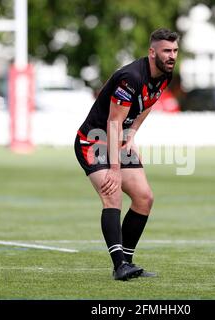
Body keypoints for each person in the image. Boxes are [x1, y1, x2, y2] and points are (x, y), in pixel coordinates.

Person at [74, 28, 179, 281]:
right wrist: (114, 168)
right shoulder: (130, 78)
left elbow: (148, 103)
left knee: (144, 198)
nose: (172, 56)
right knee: (113, 196)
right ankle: (119, 265)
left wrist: (131, 134)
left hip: (118, 138)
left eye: (175, 50)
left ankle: (128, 263)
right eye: (167, 50)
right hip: (94, 142)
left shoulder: (165, 74)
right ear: (152, 52)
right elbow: (112, 122)